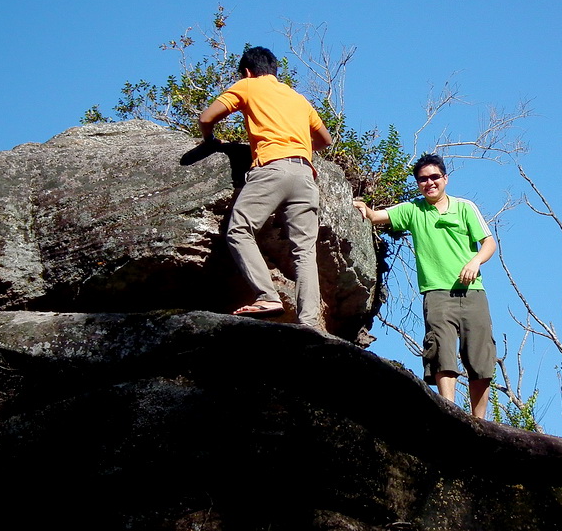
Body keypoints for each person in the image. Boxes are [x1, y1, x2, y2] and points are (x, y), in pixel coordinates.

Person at [353, 154, 496, 418]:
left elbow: (489, 242)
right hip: (436, 292)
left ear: (445, 179)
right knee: (441, 351)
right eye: (423, 179)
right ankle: (451, 414)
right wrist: (362, 207)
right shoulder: (413, 209)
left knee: (480, 357)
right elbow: (376, 216)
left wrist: (475, 262)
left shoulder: (465, 207)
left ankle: (480, 423)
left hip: (472, 291)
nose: (429, 183)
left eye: (434, 177)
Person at [199, 46, 332, 324]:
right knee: (304, 251)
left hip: (271, 169)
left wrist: (210, 139)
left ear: (248, 71)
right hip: (305, 175)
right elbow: (325, 140)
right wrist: (299, 147)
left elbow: (206, 117)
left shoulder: (248, 85)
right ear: (274, 70)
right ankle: (309, 322)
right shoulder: (297, 98)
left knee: (239, 230)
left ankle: (267, 296)